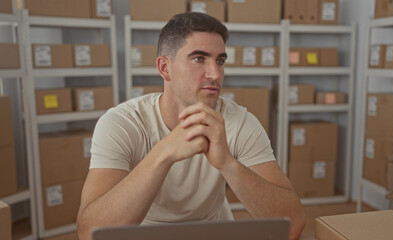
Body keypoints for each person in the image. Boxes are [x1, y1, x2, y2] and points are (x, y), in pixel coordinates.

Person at [77, 12, 305, 240]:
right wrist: (164, 153)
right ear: (165, 68)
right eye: (199, 59)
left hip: (212, 231)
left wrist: (227, 163)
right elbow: (90, 233)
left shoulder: (239, 122)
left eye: (220, 61)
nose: (215, 74)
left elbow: (293, 225)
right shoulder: (122, 123)